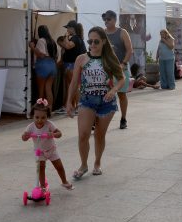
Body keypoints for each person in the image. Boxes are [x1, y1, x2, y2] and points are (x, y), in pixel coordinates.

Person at [66, 26, 125, 179]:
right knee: (83, 134)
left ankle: (97, 163)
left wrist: (114, 90)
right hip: (86, 100)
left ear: (104, 41)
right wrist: (68, 102)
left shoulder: (110, 58)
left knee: (99, 135)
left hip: (107, 102)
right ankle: (83, 165)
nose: (92, 44)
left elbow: (122, 78)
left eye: (96, 41)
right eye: (90, 41)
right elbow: (73, 83)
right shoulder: (81, 59)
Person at [22, 99, 74, 191]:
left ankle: (64, 181)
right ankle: (42, 187)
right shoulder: (30, 127)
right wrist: (25, 136)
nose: (40, 120)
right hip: (40, 152)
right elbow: (24, 138)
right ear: (32, 116)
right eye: (37, 117)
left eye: (43, 117)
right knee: (41, 168)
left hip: (51, 150)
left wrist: (53, 134)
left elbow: (59, 134)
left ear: (47, 117)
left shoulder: (49, 125)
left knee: (59, 166)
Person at [103, 10, 133, 129]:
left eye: (108, 19)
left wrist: (123, 63)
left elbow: (130, 50)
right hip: (106, 70)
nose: (106, 21)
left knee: (121, 94)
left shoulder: (122, 32)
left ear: (115, 20)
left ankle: (123, 118)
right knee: (103, 94)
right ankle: (100, 118)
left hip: (120, 68)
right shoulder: (102, 33)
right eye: (105, 19)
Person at [57, 20, 86, 113]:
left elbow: (68, 46)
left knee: (73, 86)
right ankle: (72, 106)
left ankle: (77, 106)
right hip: (73, 65)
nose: (67, 30)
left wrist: (65, 37)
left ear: (72, 28)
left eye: (68, 28)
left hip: (72, 65)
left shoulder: (75, 38)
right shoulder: (78, 39)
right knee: (72, 86)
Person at [29, 25, 58, 110]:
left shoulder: (41, 40)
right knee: (48, 88)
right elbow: (56, 56)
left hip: (43, 65)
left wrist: (32, 47)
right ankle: (49, 108)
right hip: (52, 65)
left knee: (41, 90)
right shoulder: (52, 41)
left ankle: (40, 108)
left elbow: (41, 55)